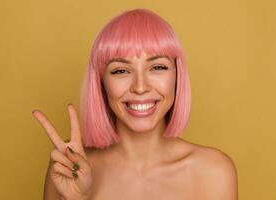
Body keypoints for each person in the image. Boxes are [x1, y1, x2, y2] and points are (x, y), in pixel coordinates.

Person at [32, 8, 238, 200]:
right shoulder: (69, 166)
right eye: (121, 70)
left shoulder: (214, 171)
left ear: (178, 76)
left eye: (157, 67)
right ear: (101, 82)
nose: (140, 87)